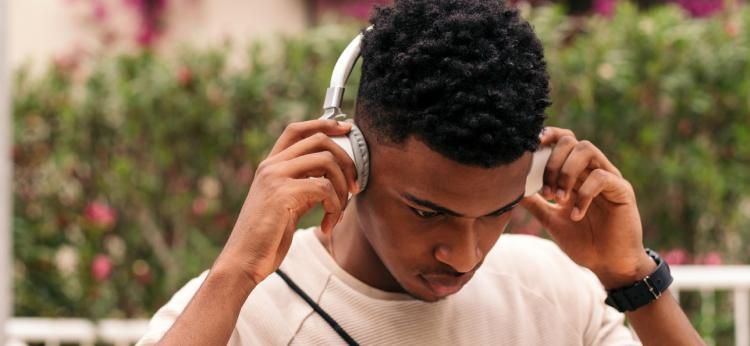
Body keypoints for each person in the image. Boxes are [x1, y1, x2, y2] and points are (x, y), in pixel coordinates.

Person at [137, 0, 704, 345]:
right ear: (352, 157)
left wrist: (633, 280)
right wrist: (235, 271)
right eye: (428, 212)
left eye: (496, 213)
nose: (463, 255)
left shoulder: (553, 291)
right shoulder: (244, 316)